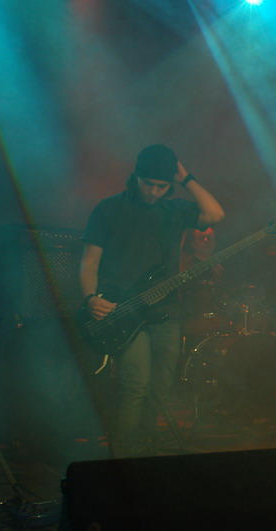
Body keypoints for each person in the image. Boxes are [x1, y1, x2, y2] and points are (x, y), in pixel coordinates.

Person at [79, 144, 225, 458]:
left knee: (159, 389)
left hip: (166, 312)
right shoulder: (108, 209)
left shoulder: (175, 210)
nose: (154, 192)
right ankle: (123, 460)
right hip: (124, 310)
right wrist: (90, 298)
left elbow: (215, 214)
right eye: (148, 184)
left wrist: (185, 177)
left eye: (162, 186)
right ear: (136, 176)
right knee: (136, 385)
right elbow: (89, 263)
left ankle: (145, 454)